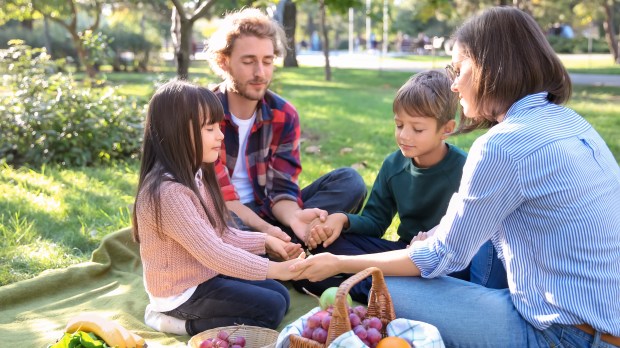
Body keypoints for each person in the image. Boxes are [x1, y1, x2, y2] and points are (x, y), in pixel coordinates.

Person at [291, 7, 620, 347]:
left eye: (458, 68)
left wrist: (337, 263)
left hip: (563, 335)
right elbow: (487, 219)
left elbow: (440, 256)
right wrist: (432, 236)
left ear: (489, 69)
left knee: (384, 286)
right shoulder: (570, 121)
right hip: (605, 322)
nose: (453, 83)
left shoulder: (502, 145)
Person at [292, 70, 506, 302]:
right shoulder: (393, 165)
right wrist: (342, 220)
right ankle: (385, 290)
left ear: (446, 128)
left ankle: (376, 290)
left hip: (448, 261)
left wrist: (435, 241)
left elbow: (473, 234)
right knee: (327, 247)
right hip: (403, 253)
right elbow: (375, 222)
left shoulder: (465, 168)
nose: (404, 135)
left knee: (453, 276)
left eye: (417, 129)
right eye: (399, 125)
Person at [132, 80, 304, 336]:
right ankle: (175, 323)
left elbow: (221, 234)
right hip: (181, 293)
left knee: (279, 293)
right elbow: (215, 252)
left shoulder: (196, 175)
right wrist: (277, 269)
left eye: (219, 127)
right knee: (271, 308)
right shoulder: (167, 193)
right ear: (178, 131)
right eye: (210, 128)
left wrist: (266, 241)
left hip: (204, 275)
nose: (220, 135)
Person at [205, 8, 367, 253]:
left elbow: (281, 190)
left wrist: (294, 219)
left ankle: (280, 246)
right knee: (217, 221)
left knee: (350, 181)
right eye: (249, 62)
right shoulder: (203, 113)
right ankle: (274, 249)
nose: (260, 72)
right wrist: (267, 231)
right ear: (224, 61)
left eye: (267, 61)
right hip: (226, 214)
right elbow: (221, 198)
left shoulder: (284, 114)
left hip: (268, 214)